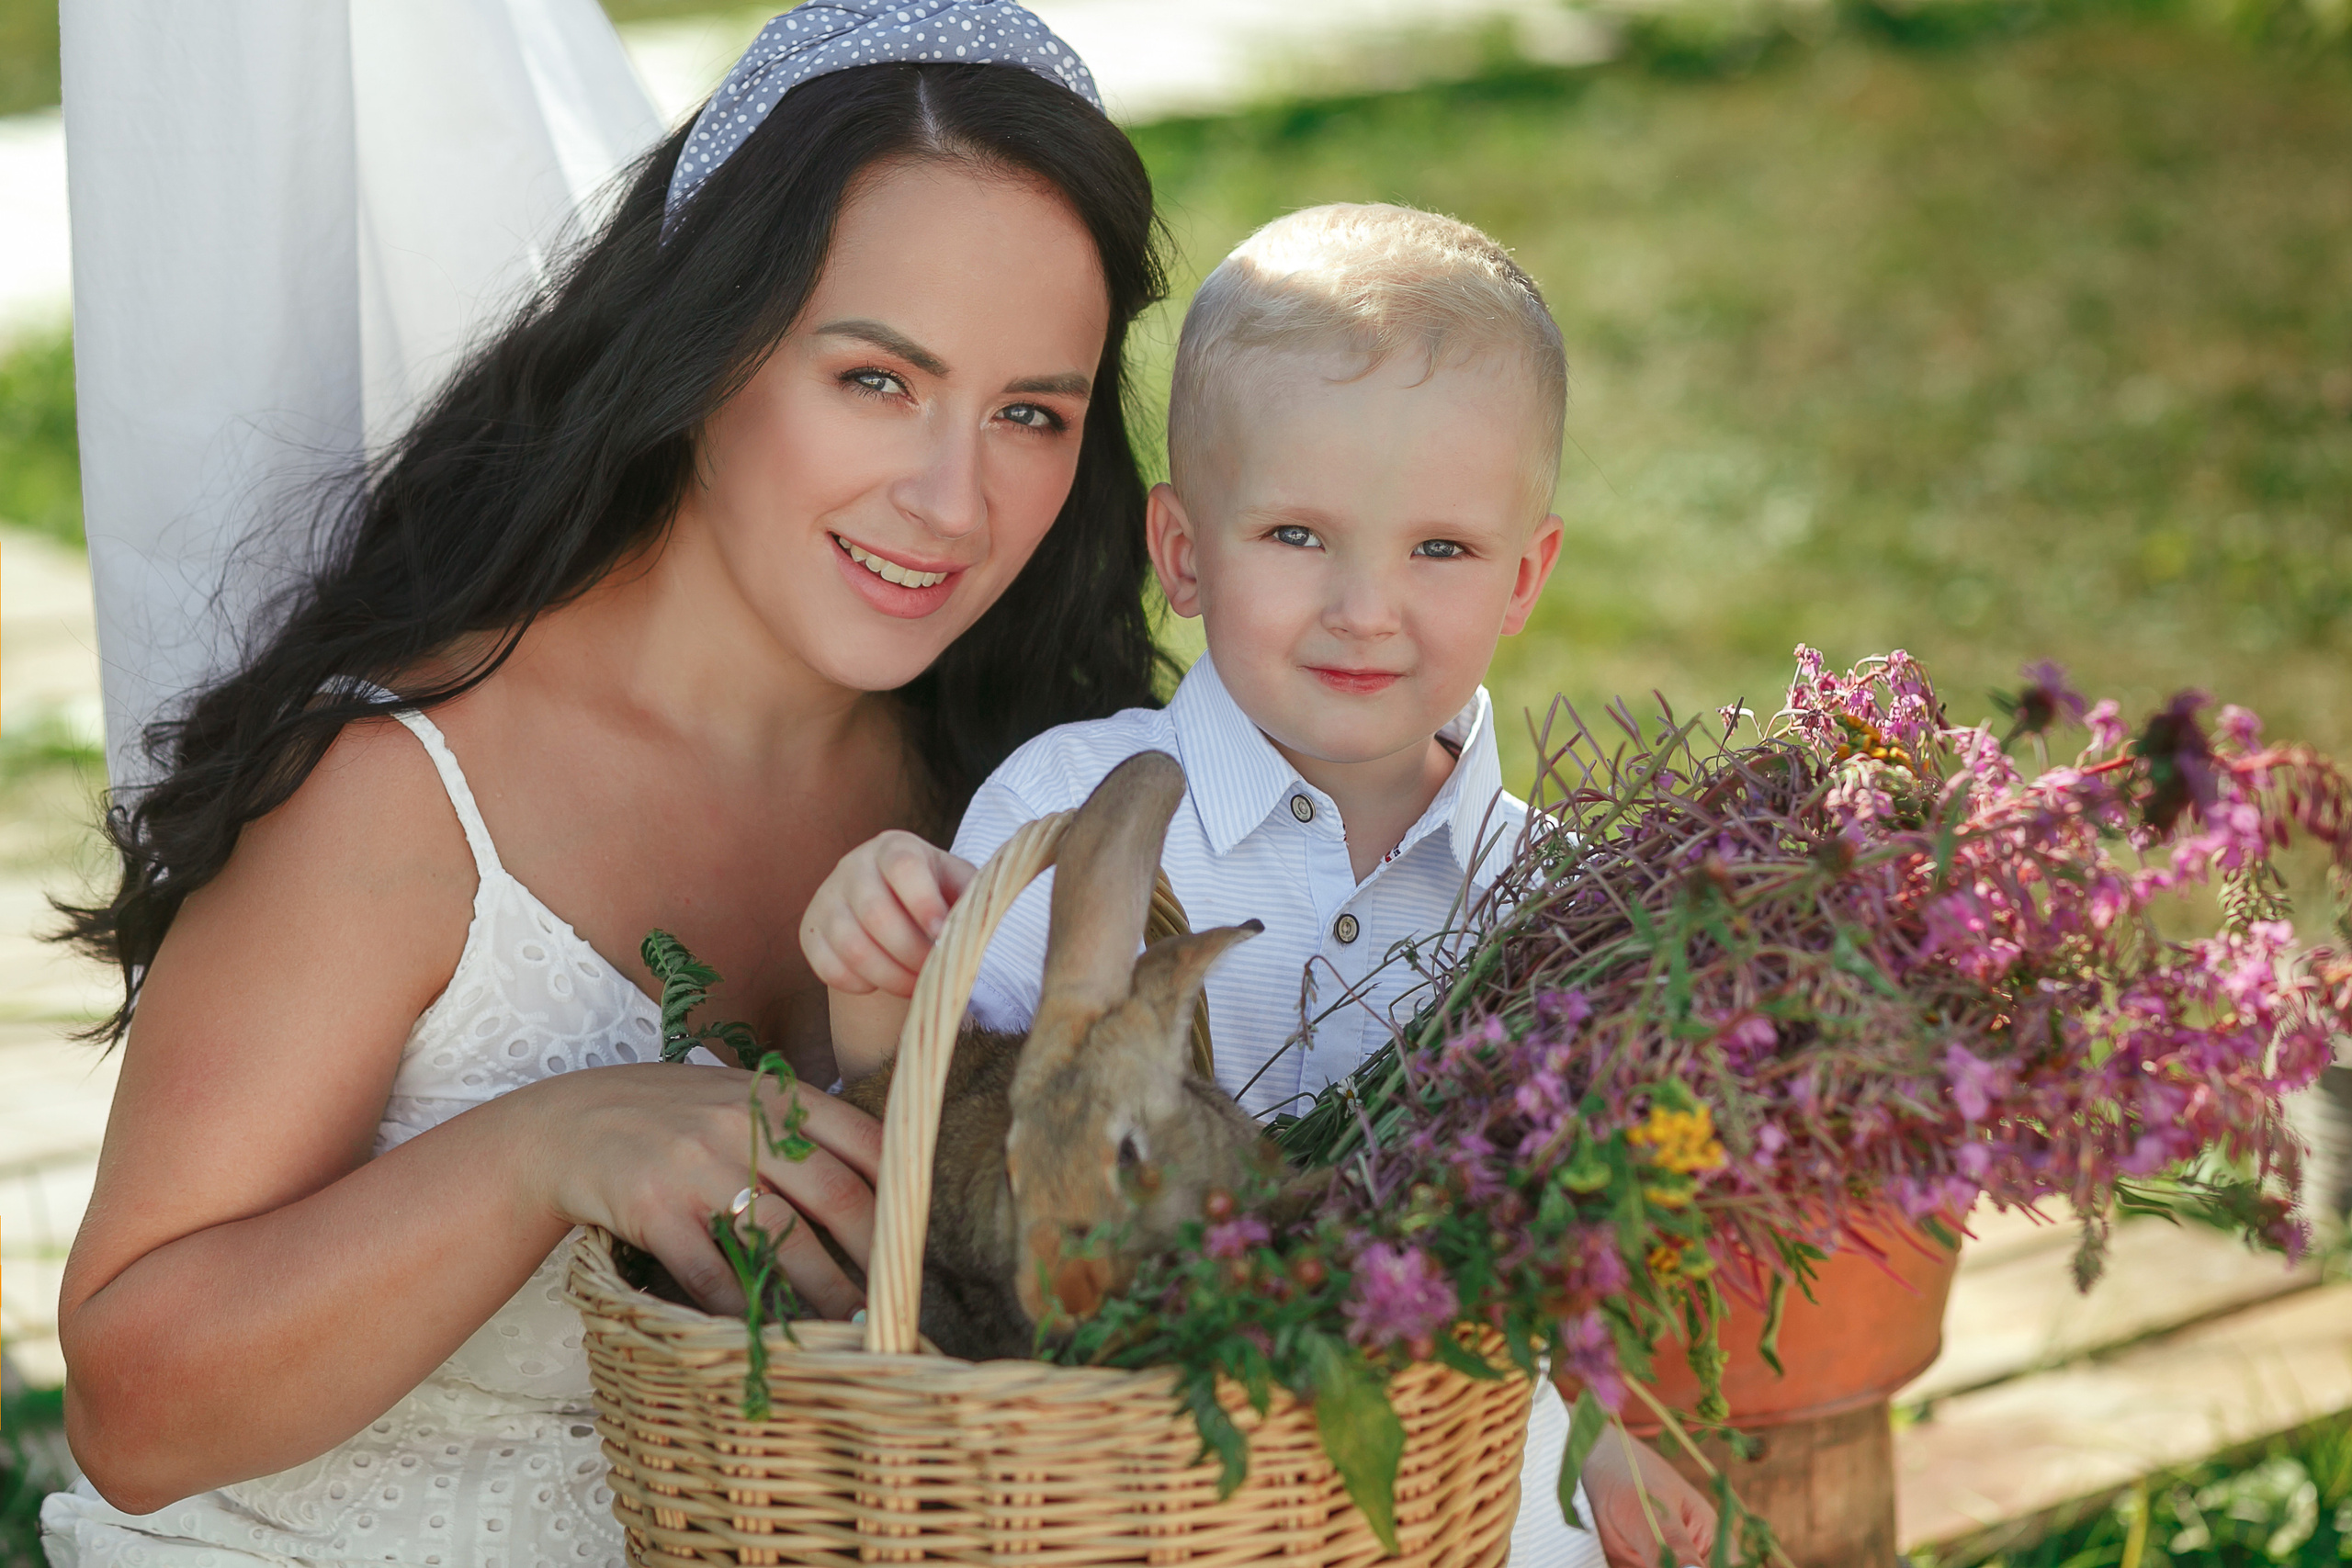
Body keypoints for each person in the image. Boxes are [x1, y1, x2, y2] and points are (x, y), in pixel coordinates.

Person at [41, 6, 1172, 1564]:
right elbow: (132, 1411)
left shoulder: (1016, 781)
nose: (953, 499)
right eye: (876, 381)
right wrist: (544, 1148)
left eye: (1029, 413)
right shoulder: (406, 787)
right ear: (708, 347)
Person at [803, 204, 1721, 1568]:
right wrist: (879, 989)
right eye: (1297, 536)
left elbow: (1547, 1248)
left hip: (1454, 1473)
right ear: (1183, 551)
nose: (1365, 606)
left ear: (1527, 576)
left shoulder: (1555, 901)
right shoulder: (1077, 811)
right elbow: (940, 1157)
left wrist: (1600, 1434)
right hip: (1120, 1473)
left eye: (1442, 550)